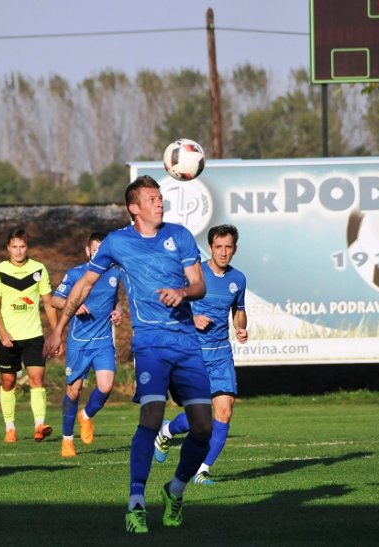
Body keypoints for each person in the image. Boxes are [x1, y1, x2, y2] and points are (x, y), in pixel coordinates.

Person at [44, 175, 212, 534]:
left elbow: (199, 284)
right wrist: (59, 328)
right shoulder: (117, 243)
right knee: (151, 418)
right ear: (134, 208)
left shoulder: (179, 235)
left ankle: (176, 490)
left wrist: (183, 292)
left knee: (203, 427)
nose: (160, 202)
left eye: (160, 197)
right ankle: (135, 503)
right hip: (150, 343)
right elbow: (84, 285)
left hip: (186, 343)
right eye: (152, 198)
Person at [153, 224, 248, 485]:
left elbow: (239, 310)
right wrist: (192, 317)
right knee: (201, 418)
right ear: (210, 248)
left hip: (221, 355)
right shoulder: (195, 275)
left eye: (229, 247)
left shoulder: (238, 279)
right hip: (193, 354)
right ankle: (167, 431)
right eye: (219, 246)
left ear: (235, 249)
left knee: (224, 411)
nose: (224, 252)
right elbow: (169, 306)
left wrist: (240, 326)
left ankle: (202, 470)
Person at [51, 232, 123, 458]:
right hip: (79, 343)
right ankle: (67, 440)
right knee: (73, 391)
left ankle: (86, 416)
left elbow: (116, 299)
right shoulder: (75, 274)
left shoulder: (114, 273)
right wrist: (73, 305)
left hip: (103, 341)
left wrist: (118, 310)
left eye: (103, 250)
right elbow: (55, 299)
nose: (98, 253)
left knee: (106, 386)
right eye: (95, 249)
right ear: (87, 251)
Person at [0, 228, 59, 443]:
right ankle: (10, 427)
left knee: (37, 379)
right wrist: (3, 332)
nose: (18, 251)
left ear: (27, 247)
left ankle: (39, 425)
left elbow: (48, 303)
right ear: (8, 248)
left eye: (22, 246)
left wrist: (56, 333)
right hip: (8, 337)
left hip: (34, 336)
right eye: (14, 247)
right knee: (8, 381)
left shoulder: (39, 269)